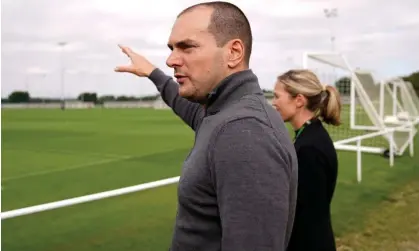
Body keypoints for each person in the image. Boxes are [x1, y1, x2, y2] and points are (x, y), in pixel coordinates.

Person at [114, 1, 298, 251]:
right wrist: (152, 73)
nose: (171, 60)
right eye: (171, 48)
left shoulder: (244, 132)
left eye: (187, 47)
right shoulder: (224, 113)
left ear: (234, 52)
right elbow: (187, 107)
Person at [272, 69, 341, 251]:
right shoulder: (308, 136)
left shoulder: (310, 148)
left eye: (277, 96)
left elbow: (305, 215)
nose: (273, 103)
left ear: (299, 101)